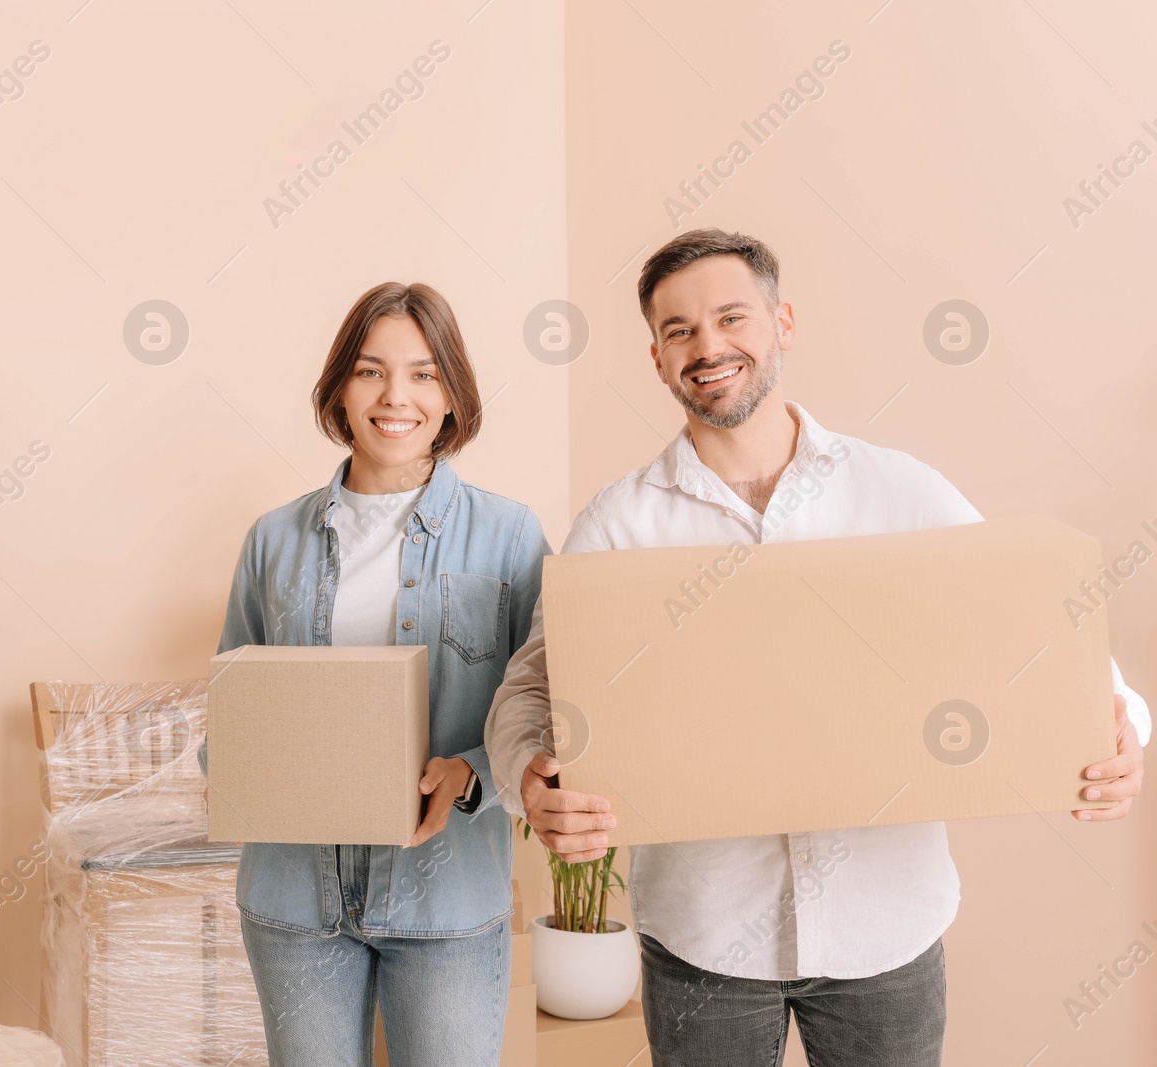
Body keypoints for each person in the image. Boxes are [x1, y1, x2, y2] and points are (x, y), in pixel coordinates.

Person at [483, 228, 1150, 1066]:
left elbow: (1027, 627)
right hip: (704, 939)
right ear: (655, 357)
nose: (709, 346)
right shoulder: (621, 523)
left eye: (732, 317)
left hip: (887, 932)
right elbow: (529, 687)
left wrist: (1121, 721)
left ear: (783, 322)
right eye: (680, 330)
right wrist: (529, 780)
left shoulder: (897, 491)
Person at [199, 282, 551, 1066]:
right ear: (340, 390)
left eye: (425, 373)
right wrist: (231, 775)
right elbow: (229, 708)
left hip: (448, 896)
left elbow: (546, 705)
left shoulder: (511, 536)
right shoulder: (274, 540)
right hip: (295, 899)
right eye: (371, 371)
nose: (397, 397)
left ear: (453, 391)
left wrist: (473, 772)